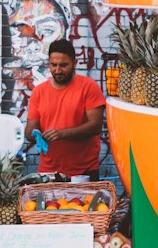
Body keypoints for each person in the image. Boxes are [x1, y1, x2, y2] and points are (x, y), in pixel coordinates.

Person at [25, 40, 106, 180]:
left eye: (63, 65)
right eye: (53, 65)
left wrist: (62, 134)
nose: (57, 70)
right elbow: (30, 130)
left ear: (74, 63)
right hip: (48, 171)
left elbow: (96, 126)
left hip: (84, 172)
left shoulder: (88, 87)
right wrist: (36, 134)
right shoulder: (39, 92)